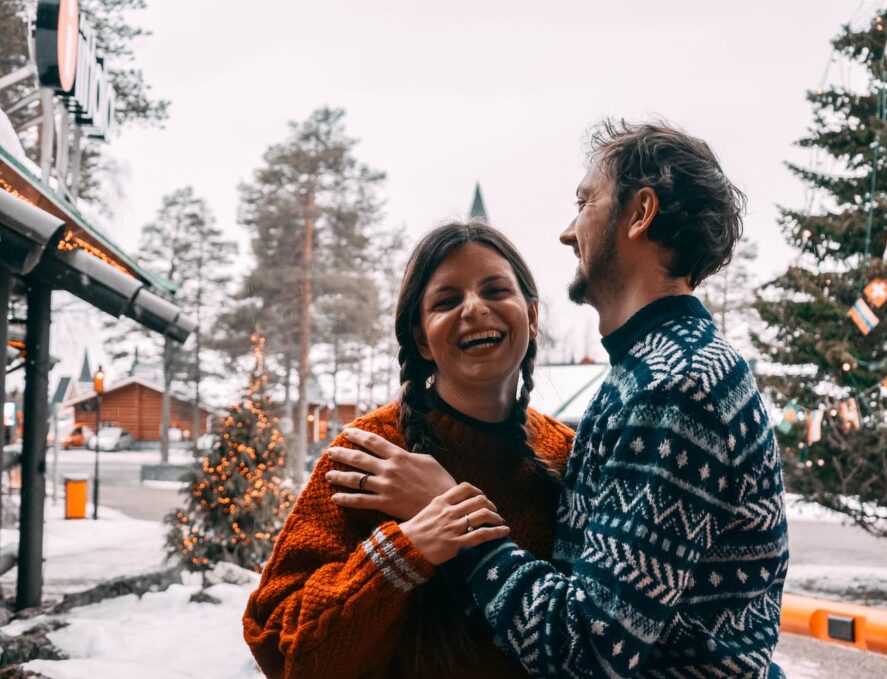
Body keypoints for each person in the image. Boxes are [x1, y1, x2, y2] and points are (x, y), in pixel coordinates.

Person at [336, 120, 789, 677]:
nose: (567, 232)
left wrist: (452, 513)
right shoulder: (648, 373)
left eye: (584, 202)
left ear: (639, 213)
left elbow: (590, 649)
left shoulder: (675, 387)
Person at [242, 222, 575, 678]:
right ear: (420, 338)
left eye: (495, 290)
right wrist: (406, 548)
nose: (474, 308)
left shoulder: (571, 455)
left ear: (532, 315)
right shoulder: (366, 455)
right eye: (447, 300)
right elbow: (280, 649)